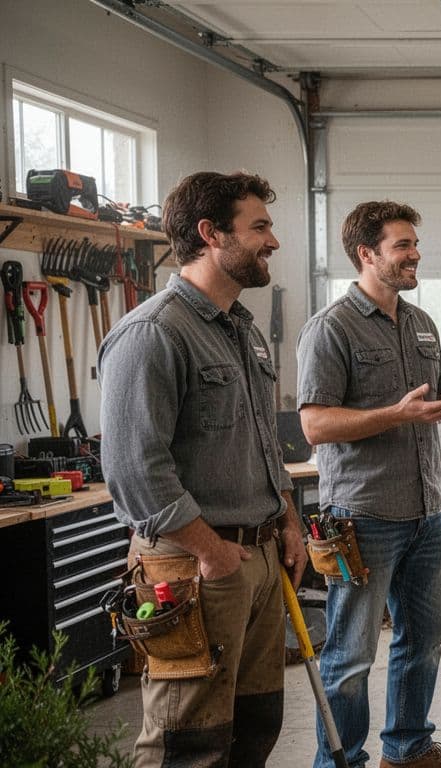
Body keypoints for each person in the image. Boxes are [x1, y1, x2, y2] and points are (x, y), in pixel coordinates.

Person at [100, 170, 306, 767]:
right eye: (260, 227)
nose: (272, 242)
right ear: (210, 233)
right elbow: (134, 468)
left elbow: (265, 445)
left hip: (260, 557)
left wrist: (287, 520)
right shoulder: (153, 333)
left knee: (255, 728)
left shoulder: (241, 331)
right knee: (188, 744)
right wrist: (210, 551)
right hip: (197, 565)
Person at [297, 201, 441, 768]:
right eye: (403, 245)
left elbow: (438, 401)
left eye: (414, 244)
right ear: (367, 254)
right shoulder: (331, 329)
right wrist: (395, 415)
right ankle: (341, 762)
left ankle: (408, 750)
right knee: (350, 655)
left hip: (426, 512)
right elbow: (316, 423)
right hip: (363, 518)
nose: (415, 254)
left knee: (424, 641)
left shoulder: (421, 324)